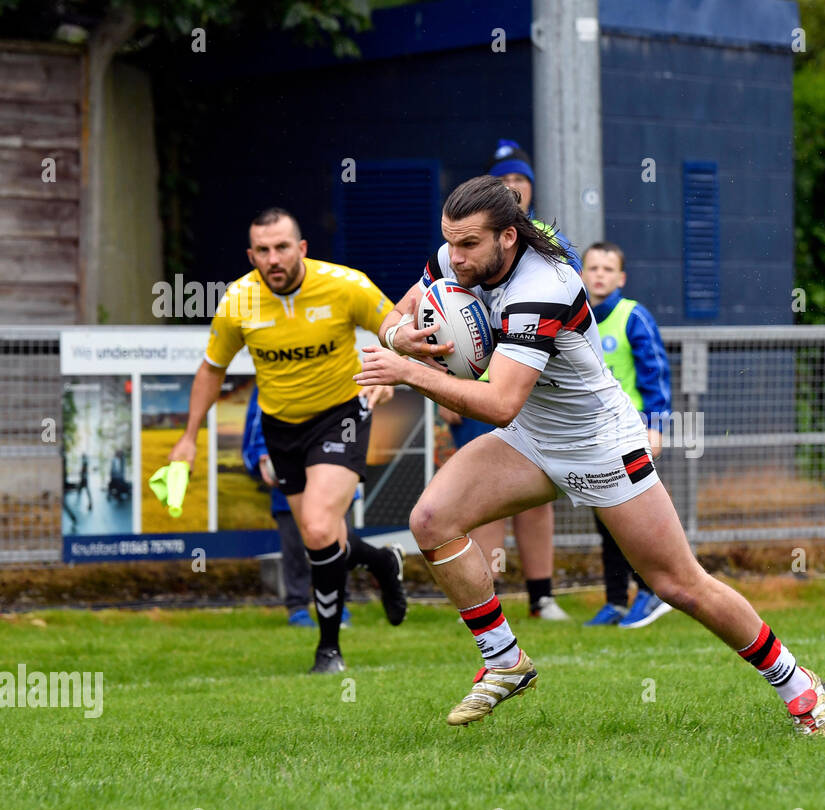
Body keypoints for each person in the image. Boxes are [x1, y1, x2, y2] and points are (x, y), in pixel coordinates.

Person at [356, 175, 825, 734]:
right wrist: (398, 338)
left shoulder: (544, 285)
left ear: (508, 237)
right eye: (450, 243)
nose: (454, 259)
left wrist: (411, 373)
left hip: (600, 444)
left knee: (678, 584)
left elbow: (502, 402)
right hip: (533, 440)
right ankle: (504, 660)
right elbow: (406, 307)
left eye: (468, 246)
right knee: (432, 520)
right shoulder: (457, 254)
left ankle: (799, 684)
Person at [169, 207, 407, 673]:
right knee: (322, 535)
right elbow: (211, 370)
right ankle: (381, 562)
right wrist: (188, 437)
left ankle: (329, 650)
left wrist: (388, 369)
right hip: (281, 427)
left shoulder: (345, 285)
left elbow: (396, 325)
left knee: (318, 528)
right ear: (251, 254)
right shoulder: (238, 300)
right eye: (263, 250)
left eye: (282, 247)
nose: (273, 258)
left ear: (301, 248)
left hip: (341, 414)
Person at [433, 139, 581, 621]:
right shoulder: (467, 245)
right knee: (477, 500)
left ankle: (542, 595)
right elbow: (431, 309)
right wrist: (437, 373)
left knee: (535, 501)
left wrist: (410, 372)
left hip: (534, 395)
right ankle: (488, 596)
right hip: (479, 389)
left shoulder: (545, 254)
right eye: (505, 182)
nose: (514, 188)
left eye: (521, 180)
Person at [580, 241, 674, 628]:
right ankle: (616, 600)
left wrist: (657, 428)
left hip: (631, 433)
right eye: (593, 268)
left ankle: (652, 593)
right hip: (591, 436)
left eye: (607, 268)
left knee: (635, 521)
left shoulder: (633, 316)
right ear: (582, 275)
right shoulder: (576, 318)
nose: (599, 274)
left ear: (621, 278)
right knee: (605, 522)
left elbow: (656, 376)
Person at [242, 384, 352, 629]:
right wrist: (261, 455)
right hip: (289, 476)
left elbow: (352, 420)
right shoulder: (273, 375)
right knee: (295, 547)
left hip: (332, 475)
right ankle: (298, 607)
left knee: (337, 543)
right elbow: (257, 419)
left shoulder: (337, 371)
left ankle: (338, 605)